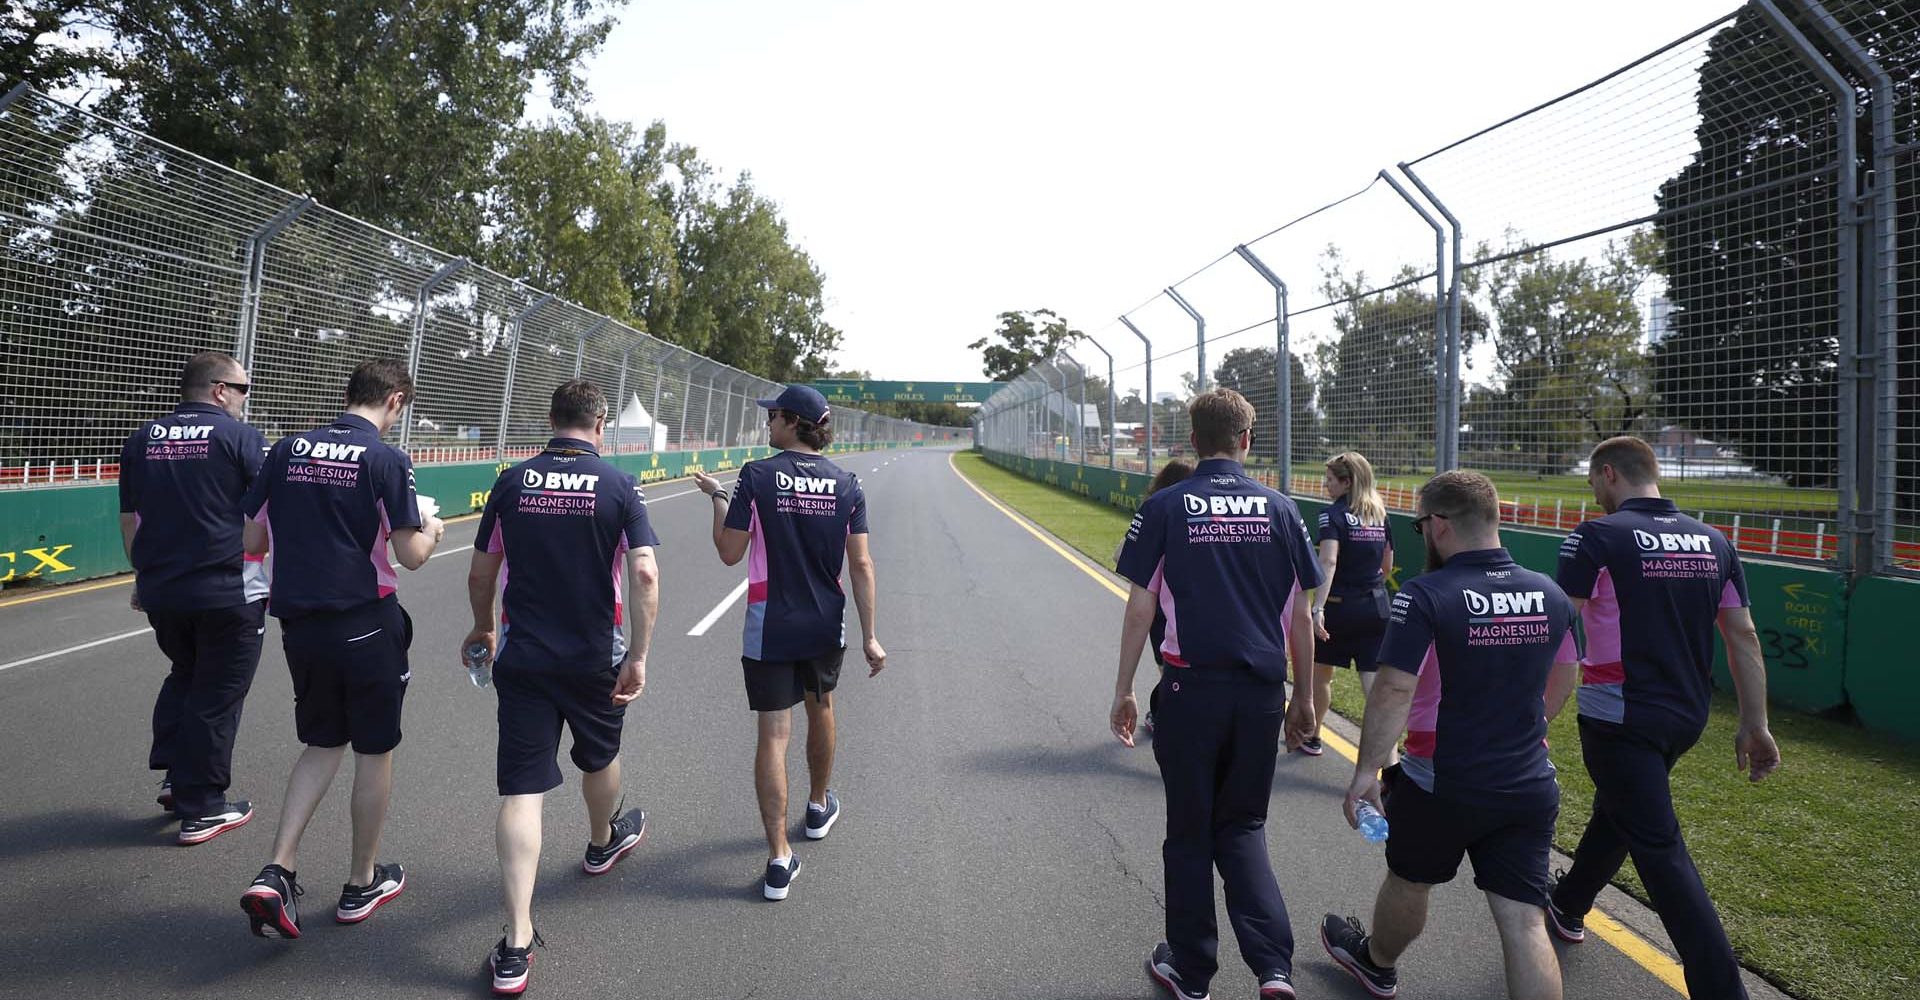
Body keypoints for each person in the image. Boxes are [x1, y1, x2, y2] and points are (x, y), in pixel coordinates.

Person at [1321, 470, 1579, 1000]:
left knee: (1411, 881)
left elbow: (1392, 690)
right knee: (1526, 920)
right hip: (1528, 779)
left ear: (1438, 525)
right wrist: (1535, 727)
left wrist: (1365, 772)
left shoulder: (1424, 595)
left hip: (1442, 779)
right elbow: (1567, 674)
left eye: (1418, 528)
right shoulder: (1550, 593)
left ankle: (1377, 963)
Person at [1546, 436, 1779, 1000]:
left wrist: (1528, 712)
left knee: (1660, 848)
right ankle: (1570, 901)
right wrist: (1755, 722)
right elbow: (1742, 634)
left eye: (1592, 483)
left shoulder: (1596, 536)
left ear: (1609, 475)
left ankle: (1722, 989)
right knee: (1624, 810)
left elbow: (1556, 629)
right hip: (1685, 717)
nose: (1592, 493)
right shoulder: (1714, 540)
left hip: (1619, 717)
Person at [1111, 388, 1321, 1000]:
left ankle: (1192, 970)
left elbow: (1141, 604)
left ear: (1193, 440)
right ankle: (1274, 968)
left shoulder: (1167, 506)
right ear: (1247, 441)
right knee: (1245, 824)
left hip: (1188, 689)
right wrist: (1303, 699)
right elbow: (1301, 616)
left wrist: (1124, 688)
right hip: (1260, 695)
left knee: (1190, 831)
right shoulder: (1281, 509)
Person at [462, 378, 661, 995]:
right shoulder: (620, 485)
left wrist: (484, 628)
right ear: (601, 425)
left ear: (551, 420)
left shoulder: (512, 480)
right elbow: (646, 573)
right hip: (594, 654)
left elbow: (480, 569)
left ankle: (517, 942)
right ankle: (601, 843)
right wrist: (640, 655)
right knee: (599, 756)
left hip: (524, 655)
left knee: (523, 791)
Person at [236, 358, 445, 939]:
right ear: (396, 402)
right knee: (374, 750)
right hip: (365, 622)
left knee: (322, 741)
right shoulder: (385, 459)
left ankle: (277, 868)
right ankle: (360, 882)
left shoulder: (285, 449)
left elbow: (252, 539)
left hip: (300, 624)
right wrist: (433, 530)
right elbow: (410, 554)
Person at [691, 384, 885, 902]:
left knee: (773, 735)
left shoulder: (755, 475)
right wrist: (871, 635)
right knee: (822, 707)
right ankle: (818, 806)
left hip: (768, 624)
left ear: (792, 421)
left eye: (772, 414)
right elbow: (861, 564)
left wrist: (717, 498)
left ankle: (779, 859)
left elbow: (730, 552)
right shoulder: (847, 484)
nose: (766, 422)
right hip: (825, 624)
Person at [117, 351, 270, 844]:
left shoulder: (142, 439)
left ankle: (175, 776)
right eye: (243, 390)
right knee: (219, 691)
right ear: (220, 390)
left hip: (164, 590)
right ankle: (202, 806)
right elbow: (268, 513)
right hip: (228, 588)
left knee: (186, 672)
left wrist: (143, 575)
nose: (246, 400)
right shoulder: (240, 437)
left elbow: (129, 519)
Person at [1302, 451, 1395, 757]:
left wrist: (1318, 608)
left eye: (1329, 479)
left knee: (1321, 676)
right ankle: (1389, 759)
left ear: (1346, 482)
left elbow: (1328, 561)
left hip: (1341, 609)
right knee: (1374, 687)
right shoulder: (1380, 513)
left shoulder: (1333, 515)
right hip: (1376, 607)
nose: (1325, 484)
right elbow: (1387, 566)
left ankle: (1313, 735)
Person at [1111, 459, 1194, 736]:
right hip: (1179, 606)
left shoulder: (1157, 510)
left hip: (1159, 607)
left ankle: (1168, 714)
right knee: (1174, 667)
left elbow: (1120, 556)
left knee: (1170, 667)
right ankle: (1169, 713)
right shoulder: (1175, 511)